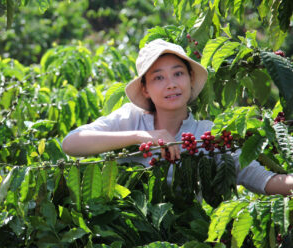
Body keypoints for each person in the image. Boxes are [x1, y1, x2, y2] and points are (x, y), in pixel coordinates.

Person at [62, 39, 293, 195]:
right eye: (158, 78)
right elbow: (71, 143)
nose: (171, 84)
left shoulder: (206, 135)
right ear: (145, 89)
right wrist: (142, 136)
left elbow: (265, 180)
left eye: (178, 73)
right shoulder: (131, 119)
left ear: (191, 79)